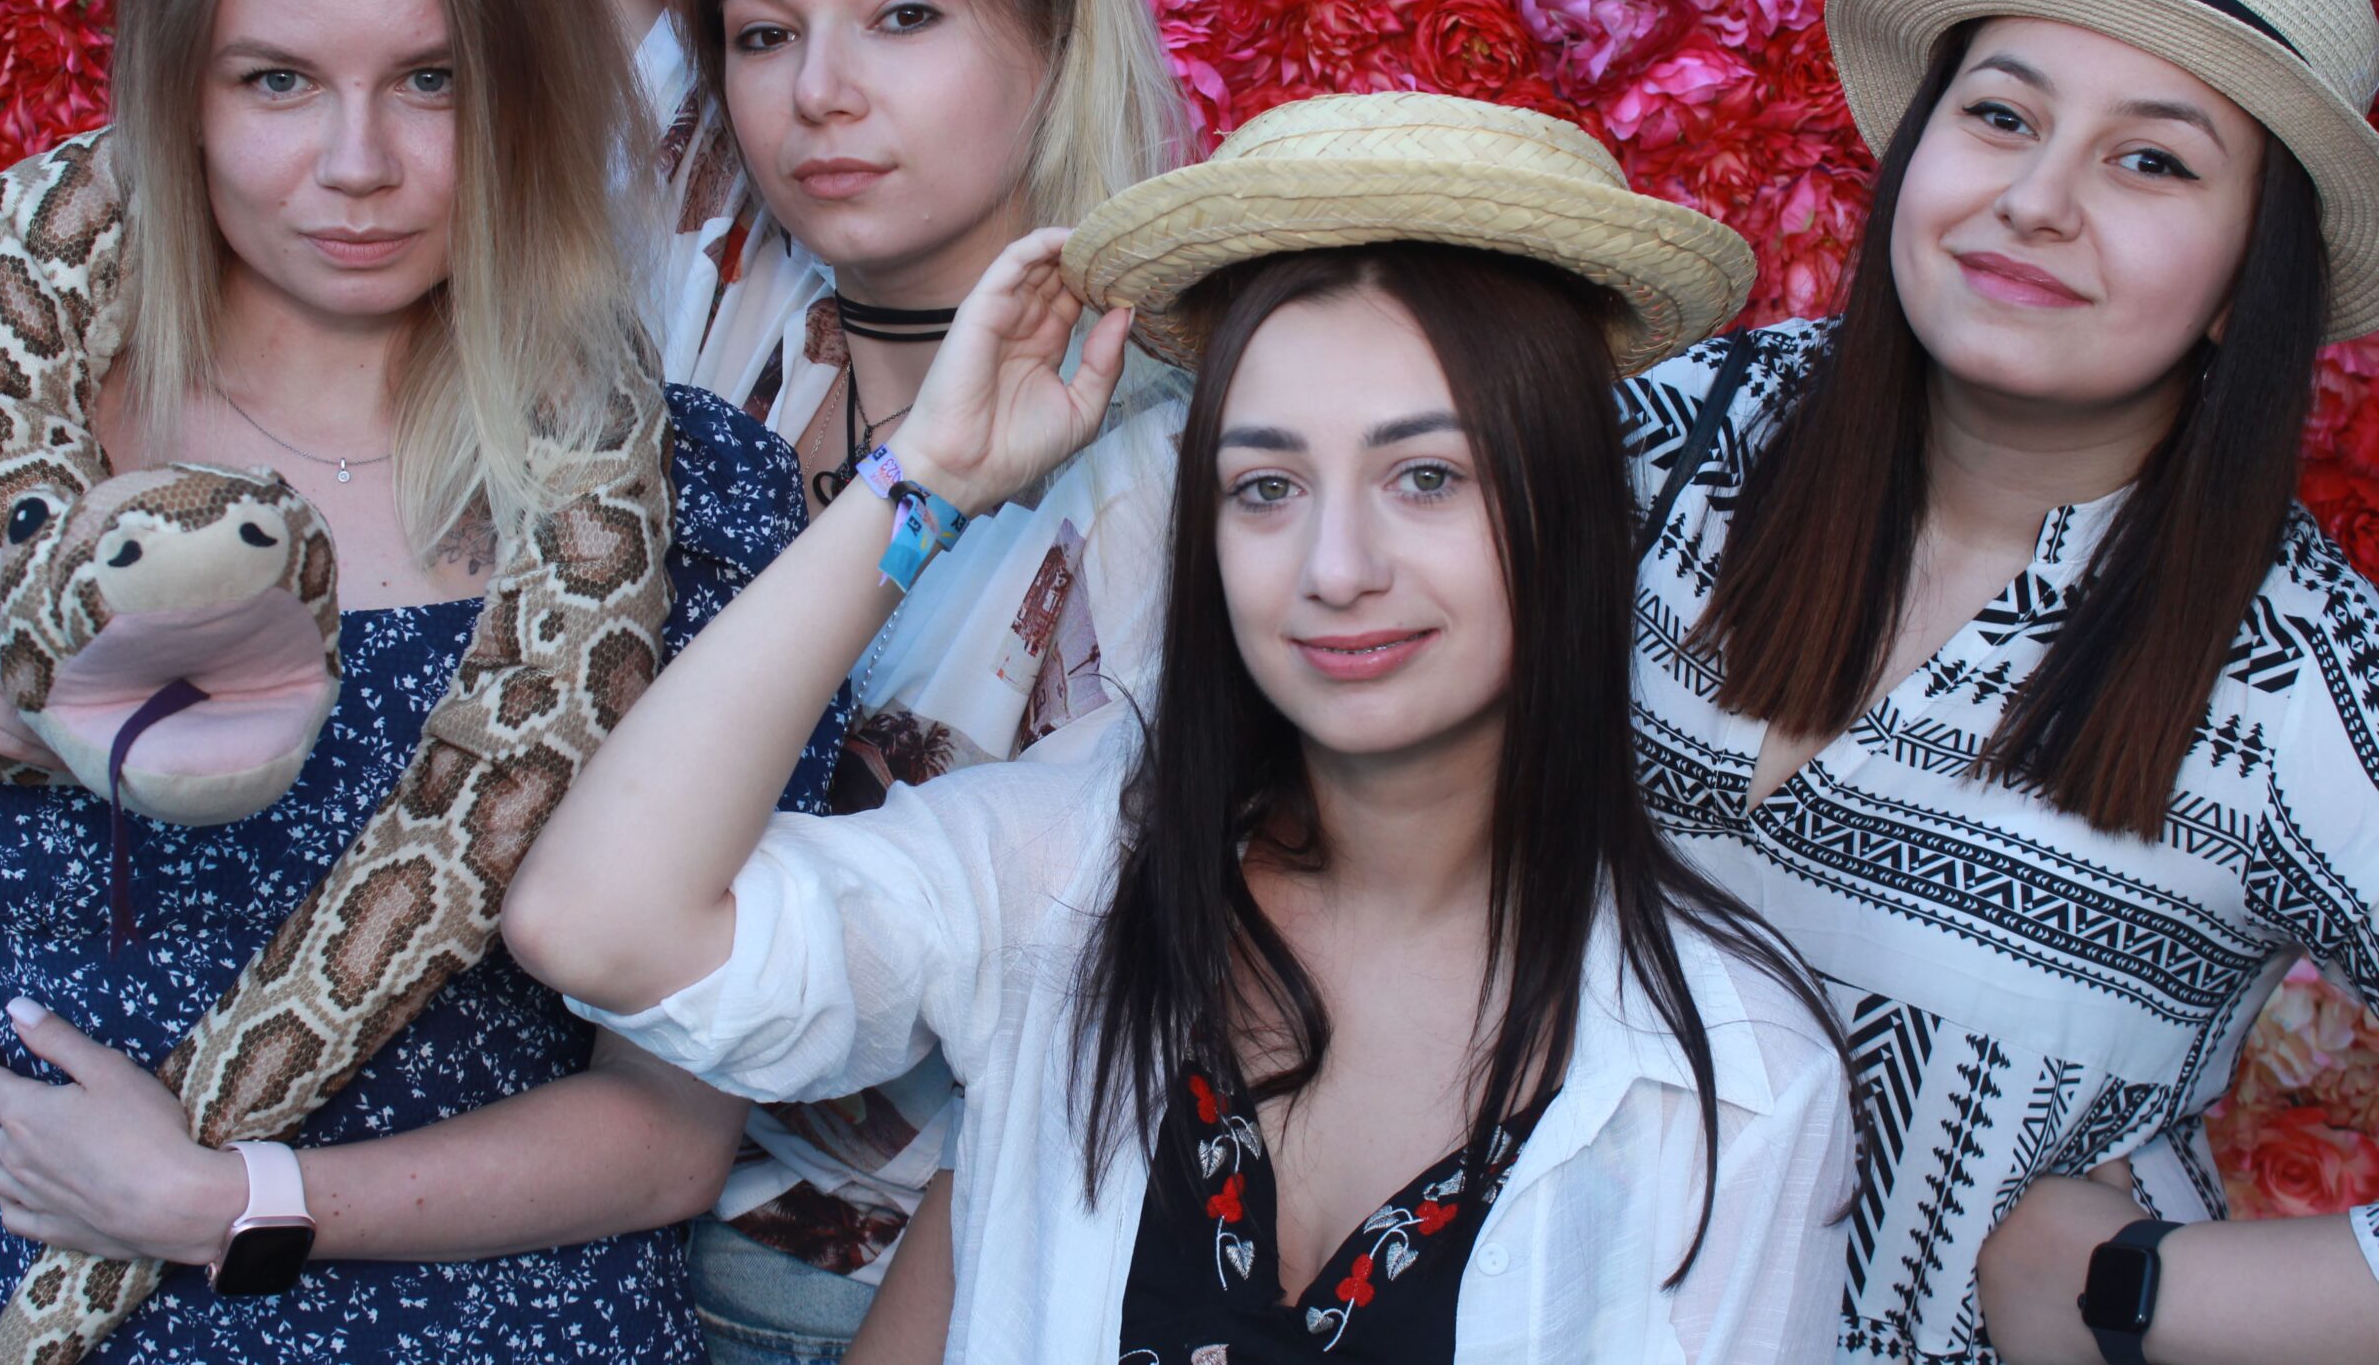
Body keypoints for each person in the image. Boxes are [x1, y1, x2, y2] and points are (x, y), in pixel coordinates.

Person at [507, 92, 1860, 1363]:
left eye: (1426, 477)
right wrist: (928, 480)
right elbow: (599, 925)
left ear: (1569, 509)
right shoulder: (1069, 875)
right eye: (1266, 486)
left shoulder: (1735, 1079)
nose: (1336, 567)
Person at [0, 0, 821, 1361]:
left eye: (435, 79)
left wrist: (226, 1202)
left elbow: (670, 1133)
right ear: (177, 98)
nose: (359, 168)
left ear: (524, 90)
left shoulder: (693, 497)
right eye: (275, 81)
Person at [1618, 0, 2379, 1363]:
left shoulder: (2296, 674)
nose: (2035, 202)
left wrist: (2146, 1293)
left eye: (2151, 161)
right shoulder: (1692, 436)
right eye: (2003, 116)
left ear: (2251, 275)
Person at [530, 0, 1193, 1360]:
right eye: (763, 30)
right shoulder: (701, 243)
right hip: (509, 1197)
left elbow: (1089, 1059)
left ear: (1058, 28)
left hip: (840, 1292)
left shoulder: (1168, 483)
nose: (818, 92)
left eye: (905, 14)